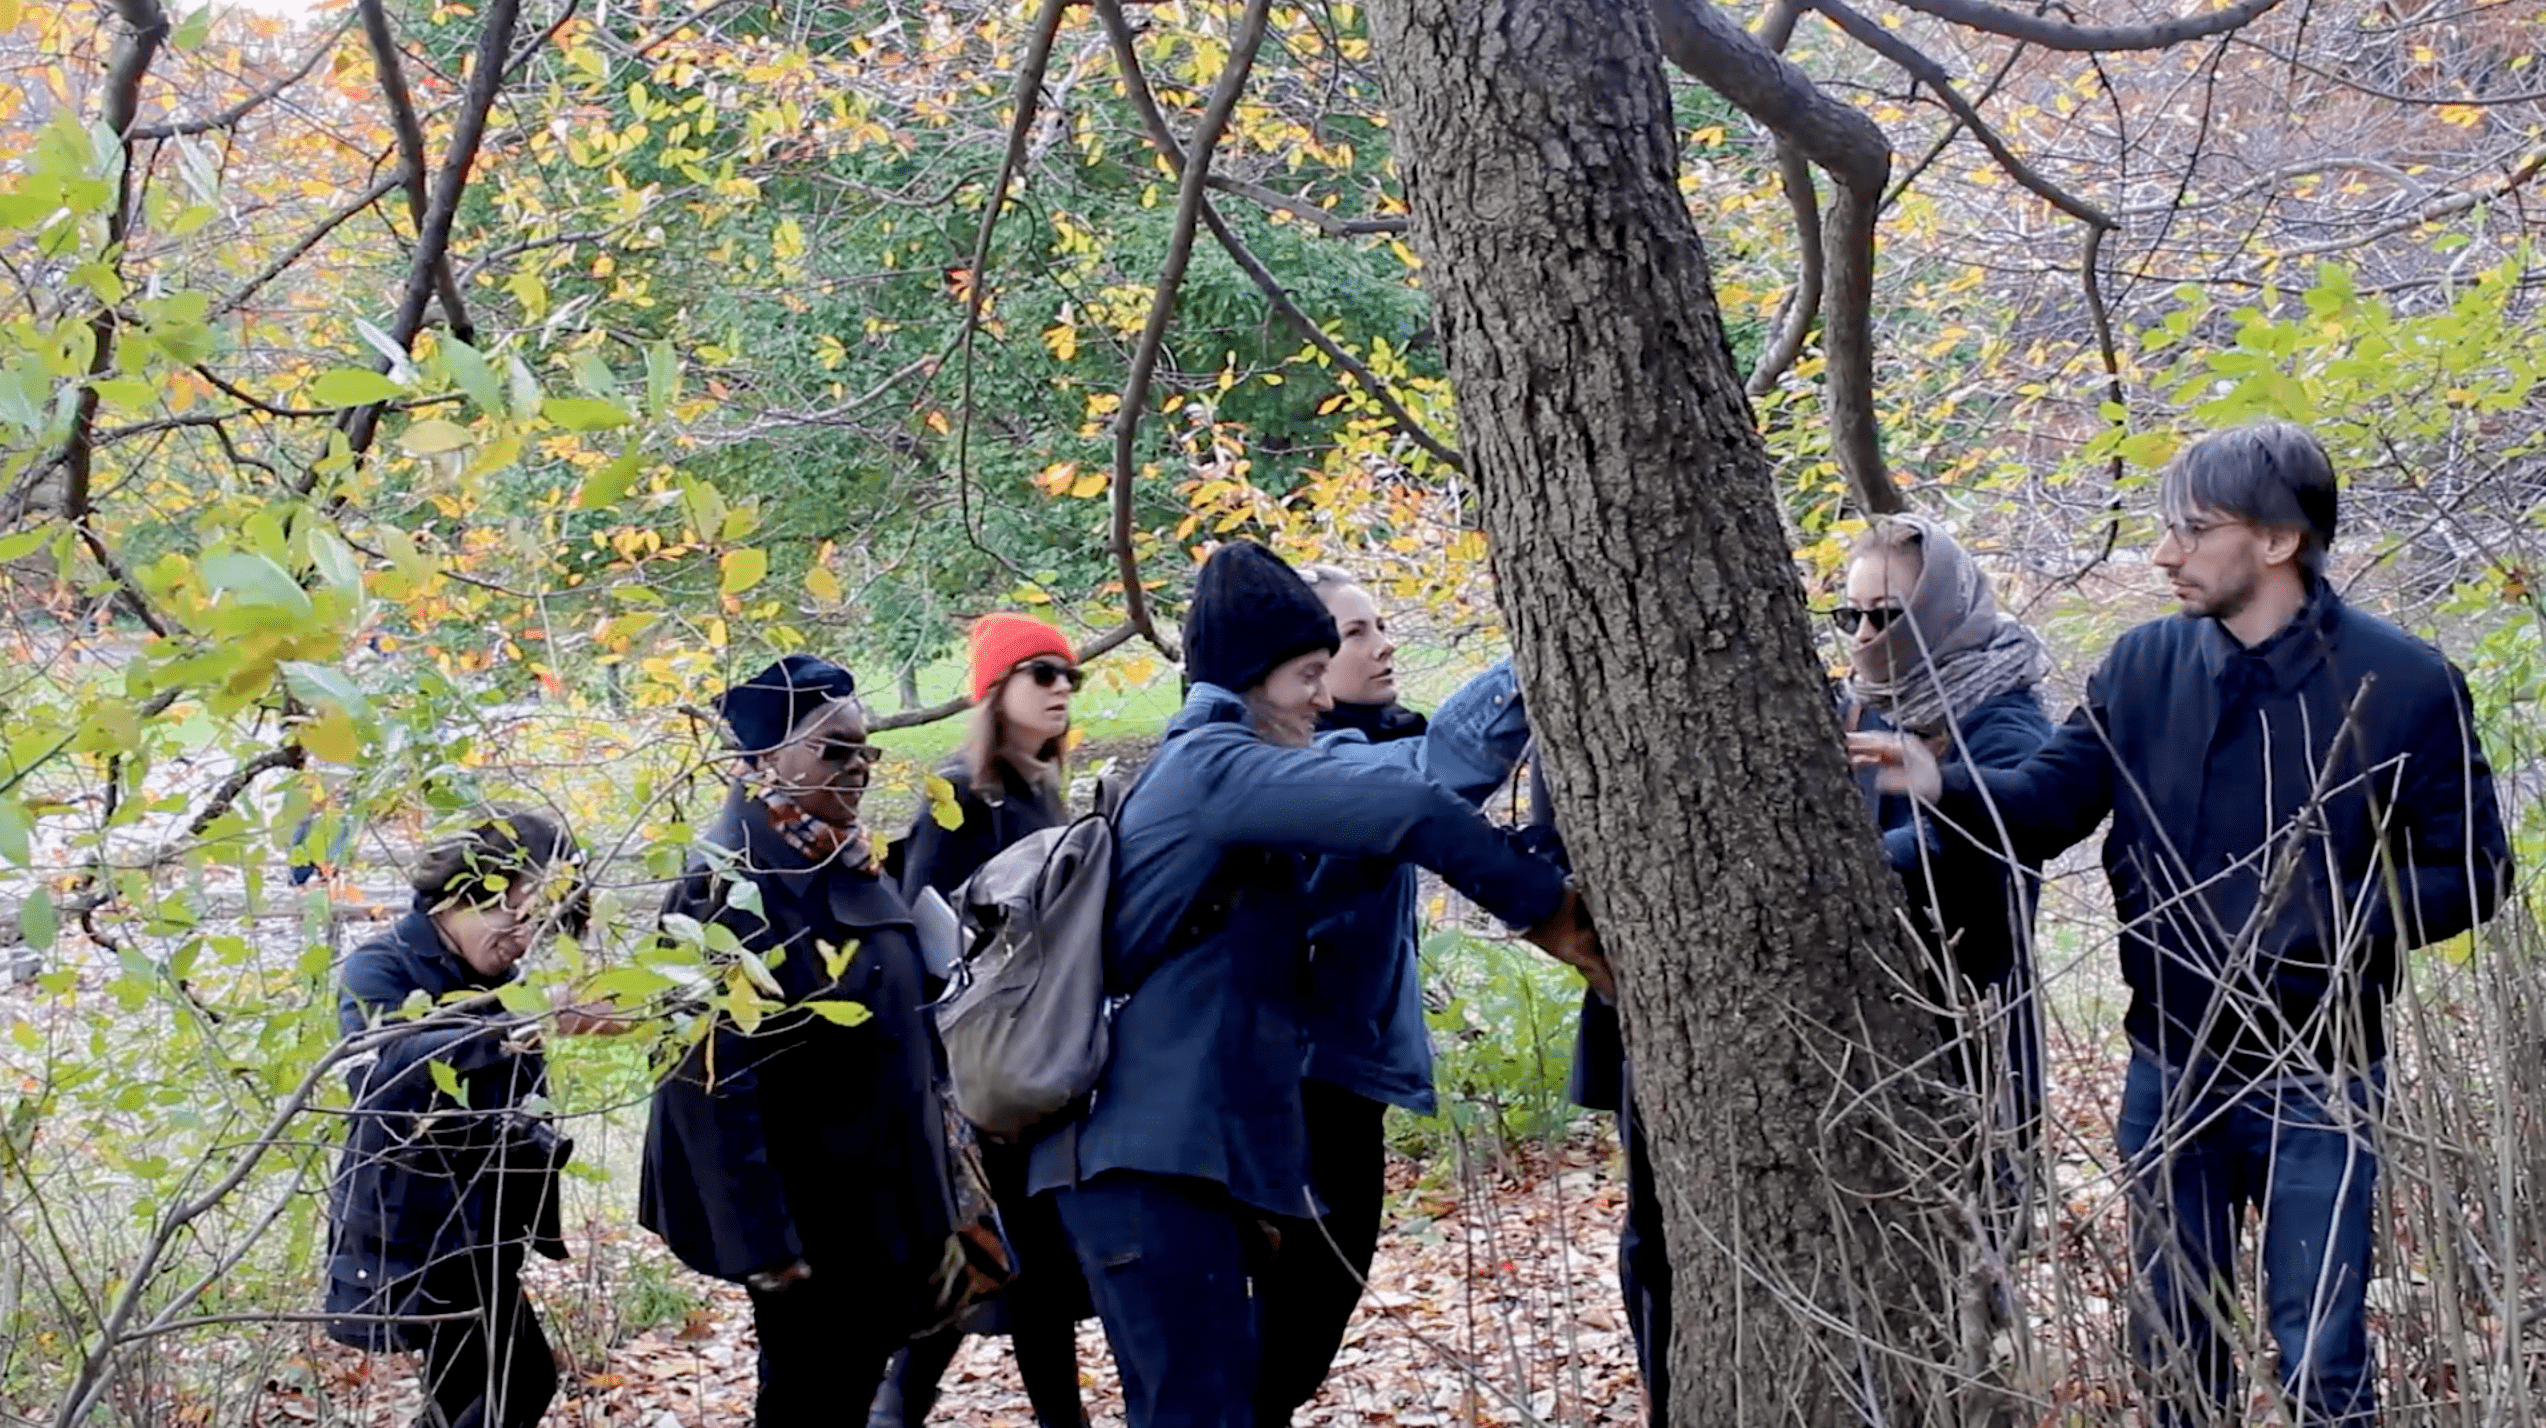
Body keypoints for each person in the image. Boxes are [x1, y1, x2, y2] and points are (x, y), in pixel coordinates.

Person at [1851, 421, 2511, 1427]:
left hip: (2319, 1080)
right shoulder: (2140, 665)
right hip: (2166, 1070)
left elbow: (2473, 872)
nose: (2162, 554)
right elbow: (2045, 805)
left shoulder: (2406, 683)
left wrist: (2321, 917)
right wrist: (1940, 780)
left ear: (2278, 541)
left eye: (2190, 530)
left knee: (2319, 1365)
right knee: (2170, 1359)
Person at [1026, 541, 1608, 1428]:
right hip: (1141, 1170)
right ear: (1257, 677)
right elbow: (1411, 806)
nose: (1324, 697)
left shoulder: (1227, 774)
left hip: (1177, 1169)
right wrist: (1552, 918)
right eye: (1308, 673)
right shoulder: (1216, 767)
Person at [1249, 565, 1536, 1427]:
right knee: (1291, 1332)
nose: (1382, 645)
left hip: (1339, 1084)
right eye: (1354, 634)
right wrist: (1537, 659)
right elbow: (1439, 774)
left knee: (1294, 1336)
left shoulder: (1354, 751)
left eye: (1380, 625)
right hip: (1306, 1090)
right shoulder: (1322, 767)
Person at [639, 655, 959, 1427]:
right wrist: (763, 1247)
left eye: (866, 751)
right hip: (812, 1229)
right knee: (810, 1403)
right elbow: (705, 1079)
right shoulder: (722, 887)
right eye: (834, 750)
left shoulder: (846, 854)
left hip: (885, 1209)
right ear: (760, 760)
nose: (857, 769)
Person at [873, 613, 1091, 1428]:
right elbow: (925, 937)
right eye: (1042, 673)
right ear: (995, 689)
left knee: (1026, 1262)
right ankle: (894, 1411)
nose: (1063, 687)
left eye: (1072, 675)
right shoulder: (960, 796)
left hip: (1038, 1059)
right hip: (978, 1069)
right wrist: (954, 1082)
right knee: (988, 1256)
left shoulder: (1042, 790)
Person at [325, 809, 606, 1428]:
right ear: (468, 890)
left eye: (547, 923)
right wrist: (526, 1017)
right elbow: (389, 1069)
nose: (528, 937)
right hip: (414, 1230)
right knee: (520, 1381)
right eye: (524, 912)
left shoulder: (502, 979)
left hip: (481, 1230)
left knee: (478, 1394)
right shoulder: (382, 966)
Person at [1833, 514, 2055, 1243]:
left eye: (1887, 615)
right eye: (1851, 614)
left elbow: (1962, 842)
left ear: (1937, 613)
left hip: (1973, 1029)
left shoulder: (2004, 716)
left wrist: (1836, 874)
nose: (1865, 636)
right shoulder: (1867, 704)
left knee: (1973, 1251)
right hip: (1877, 1028)